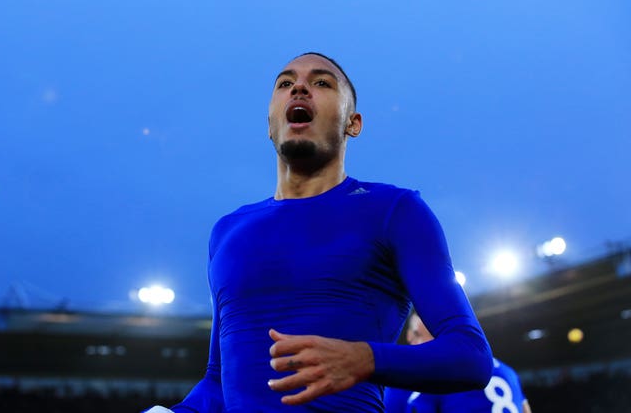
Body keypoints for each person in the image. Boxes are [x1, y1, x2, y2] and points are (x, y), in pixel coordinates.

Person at [145, 52, 493, 413]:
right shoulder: (227, 231)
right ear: (269, 123)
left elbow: (471, 355)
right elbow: (217, 385)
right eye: (285, 83)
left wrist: (364, 359)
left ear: (353, 123)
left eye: (321, 82)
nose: (299, 87)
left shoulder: (395, 210)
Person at [384, 313, 532, 413]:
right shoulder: (508, 372)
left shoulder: (436, 375)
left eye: (420, 335)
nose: (413, 341)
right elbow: (525, 409)